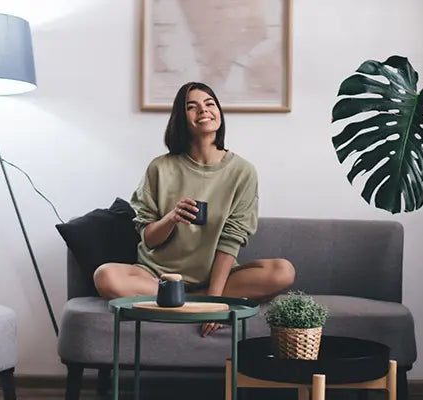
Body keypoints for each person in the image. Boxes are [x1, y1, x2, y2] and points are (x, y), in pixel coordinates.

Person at [93, 82, 296, 337]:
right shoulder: (159, 168)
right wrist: (171, 218)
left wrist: (214, 300)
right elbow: (149, 239)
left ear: (219, 113)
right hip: (158, 277)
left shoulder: (242, 171)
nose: (204, 110)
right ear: (181, 118)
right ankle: (181, 297)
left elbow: (231, 241)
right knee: (105, 276)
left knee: (282, 272)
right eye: (192, 106)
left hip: (216, 278)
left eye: (210, 104)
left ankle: (190, 300)